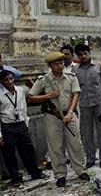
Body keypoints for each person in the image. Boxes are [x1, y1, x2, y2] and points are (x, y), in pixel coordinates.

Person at [28, 52, 89, 187]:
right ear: (50, 65)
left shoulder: (71, 77)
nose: (60, 66)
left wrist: (71, 112)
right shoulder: (43, 80)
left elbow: (76, 94)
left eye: (61, 63)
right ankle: (60, 174)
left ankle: (80, 170)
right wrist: (48, 96)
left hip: (69, 114)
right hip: (52, 117)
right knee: (56, 146)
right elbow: (31, 97)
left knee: (75, 143)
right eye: (56, 64)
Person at [0, 70, 46, 186]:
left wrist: (26, 122)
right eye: (6, 80)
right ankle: (15, 178)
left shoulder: (20, 90)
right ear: (2, 82)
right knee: (9, 153)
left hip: (21, 124)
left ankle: (35, 172)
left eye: (11, 78)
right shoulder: (0, 95)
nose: (9, 81)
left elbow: (24, 108)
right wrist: (0, 134)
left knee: (28, 150)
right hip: (7, 125)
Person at [72, 44, 101, 168]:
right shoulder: (75, 71)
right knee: (86, 133)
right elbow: (74, 89)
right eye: (80, 55)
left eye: (85, 54)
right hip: (84, 105)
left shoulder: (98, 66)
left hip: (100, 103)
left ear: (89, 53)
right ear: (77, 56)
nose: (83, 56)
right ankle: (90, 158)